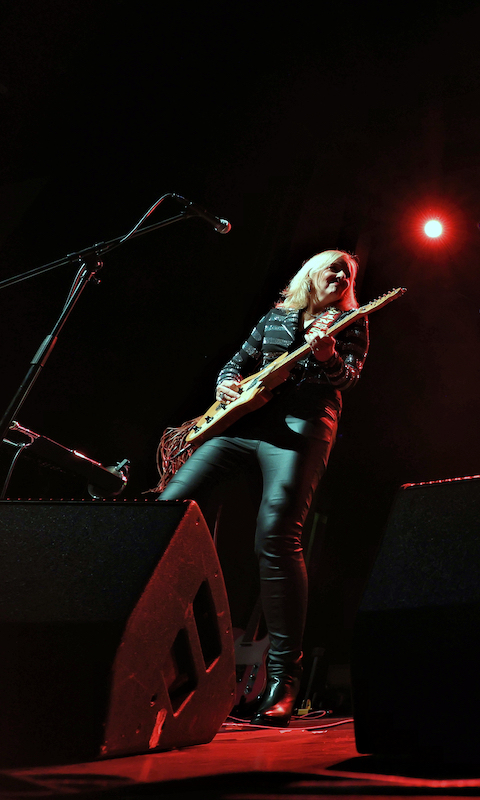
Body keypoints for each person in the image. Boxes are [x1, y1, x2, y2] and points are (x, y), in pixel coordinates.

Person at [159, 249, 369, 724]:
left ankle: (283, 680)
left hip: (305, 423)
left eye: (348, 273)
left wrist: (326, 352)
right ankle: (162, 646)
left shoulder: (351, 322)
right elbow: (238, 361)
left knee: (276, 535)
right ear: (311, 274)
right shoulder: (278, 314)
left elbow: (347, 378)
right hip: (246, 423)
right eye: (333, 267)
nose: (340, 275)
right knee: (166, 509)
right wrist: (227, 384)